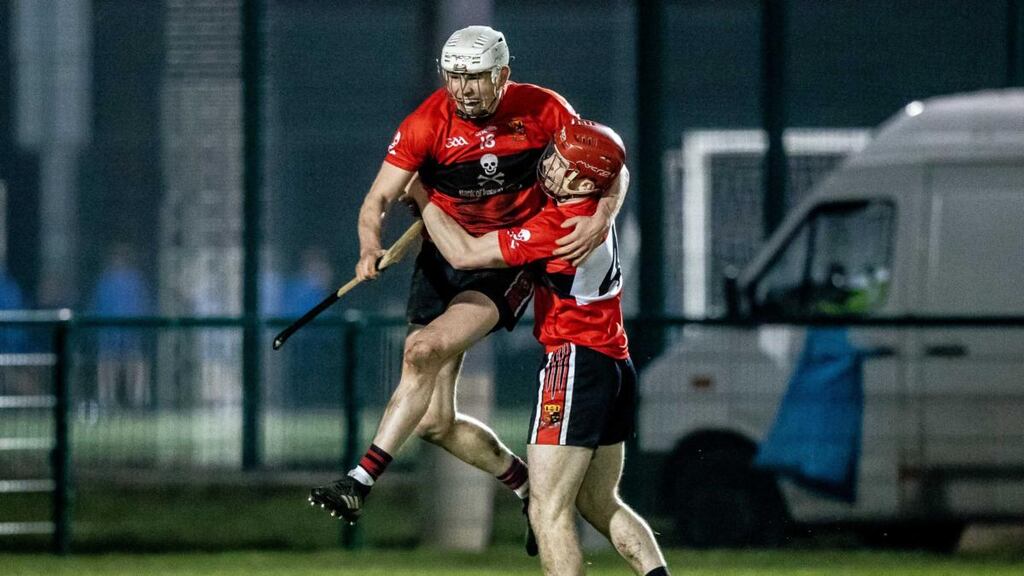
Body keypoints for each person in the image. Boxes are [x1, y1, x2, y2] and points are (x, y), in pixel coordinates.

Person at [309, 24, 628, 543]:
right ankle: (523, 485)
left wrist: (602, 214)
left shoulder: (544, 109)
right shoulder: (425, 124)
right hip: (442, 258)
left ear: (502, 75)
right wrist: (369, 245)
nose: (465, 89)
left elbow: (607, 160)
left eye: (477, 78)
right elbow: (377, 201)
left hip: (503, 260)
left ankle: (359, 479)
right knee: (434, 423)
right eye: (455, 77)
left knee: (421, 350)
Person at [406, 119, 669, 576]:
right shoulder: (592, 205)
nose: (549, 165)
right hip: (614, 364)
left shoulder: (560, 224)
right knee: (599, 502)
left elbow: (466, 254)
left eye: (562, 164)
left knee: (547, 511)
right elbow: (617, 169)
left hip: (574, 362)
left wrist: (424, 197)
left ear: (585, 181)